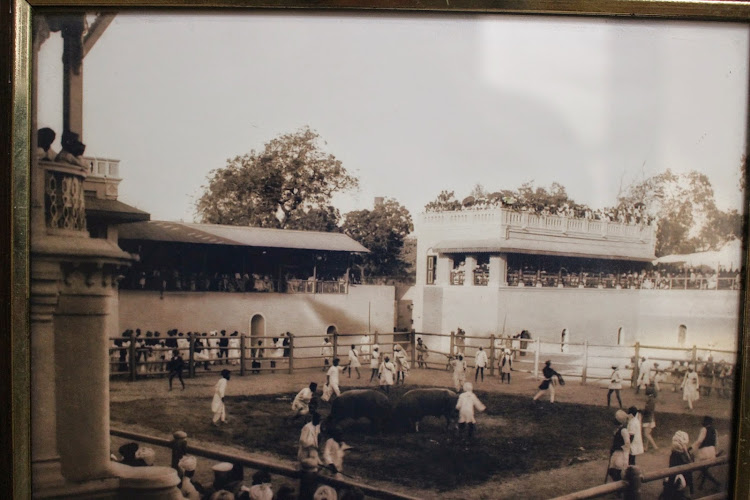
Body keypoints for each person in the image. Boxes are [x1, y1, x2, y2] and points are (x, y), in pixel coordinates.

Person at [692, 416, 721, 490]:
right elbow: (716, 443)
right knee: (704, 469)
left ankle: (716, 482)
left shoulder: (704, 429)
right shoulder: (715, 430)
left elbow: (699, 441)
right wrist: (716, 452)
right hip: (711, 452)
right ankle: (702, 485)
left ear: (706, 422)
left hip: (704, 453)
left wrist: (692, 447)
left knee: (702, 469)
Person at [297, 413, 322, 500]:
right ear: (313, 419)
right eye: (317, 420)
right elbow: (302, 441)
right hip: (305, 455)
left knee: (316, 472)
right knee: (307, 477)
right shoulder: (307, 427)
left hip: (313, 453)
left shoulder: (317, 426)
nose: (319, 422)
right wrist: (311, 444)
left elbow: (317, 440)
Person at [663, 431, 694, 498]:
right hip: (681, 478)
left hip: (678, 478)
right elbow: (691, 463)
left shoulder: (675, 454)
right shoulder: (677, 454)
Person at [607, 410, 631, 482]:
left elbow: (627, 443)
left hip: (621, 453)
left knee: (616, 471)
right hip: (616, 453)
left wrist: (619, 448)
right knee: (611, 471)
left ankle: (620, 488)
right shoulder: (619, 429)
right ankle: (619, 487)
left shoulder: (624, 430)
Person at [642, 385, 658, 451]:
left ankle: (655, 447)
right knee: (647, 434)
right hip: (649, 418)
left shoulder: (651, 401)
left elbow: (648, 410)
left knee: (646, 434)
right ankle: (646, 447)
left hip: (648, 419)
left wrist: (642, 412)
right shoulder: (651, 400)